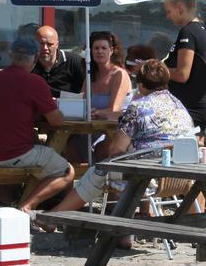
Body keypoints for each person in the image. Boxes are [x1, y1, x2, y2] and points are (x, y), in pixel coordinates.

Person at [38, 60, 194, 225]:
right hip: (178, 176)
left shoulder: (138, 107)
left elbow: (116, 149)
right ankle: (118, 229)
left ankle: (54, 217)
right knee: (108, 169)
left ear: (140, 84)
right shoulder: (179, 104)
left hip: (148, 177)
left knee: (97, 171)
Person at [0, 38, 79, 213]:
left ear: (10, 56)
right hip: (11, 154)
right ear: (36, 57)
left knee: (37, 151)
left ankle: (2, 202)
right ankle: (27, 207)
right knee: (66, 170)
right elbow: (57, 121)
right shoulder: (34, 82)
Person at [163, 0, 206, 135]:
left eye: (168, 11)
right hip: (194, 104)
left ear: (180, 8)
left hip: (191, 107)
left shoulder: (189, 31)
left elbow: (182, 74)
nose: (167, 16)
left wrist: (155, 68)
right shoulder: (198, 29)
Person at [88, 30, 132, 121]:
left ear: (111, 50)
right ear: (91, 51)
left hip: (114, 130)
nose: (100, 51)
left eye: (104, 48)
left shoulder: (119, 74)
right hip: (91, 127)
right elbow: (82, 104)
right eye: (96, 48)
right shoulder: (89, 74)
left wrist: (95, 113)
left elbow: (114, 110)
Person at [33, 25, 87, 97]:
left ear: (57, 44)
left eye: (49, 44)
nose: (45, 48)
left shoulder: (74, 62)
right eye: (41, 43)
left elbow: (88, 90)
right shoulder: (29, 64)